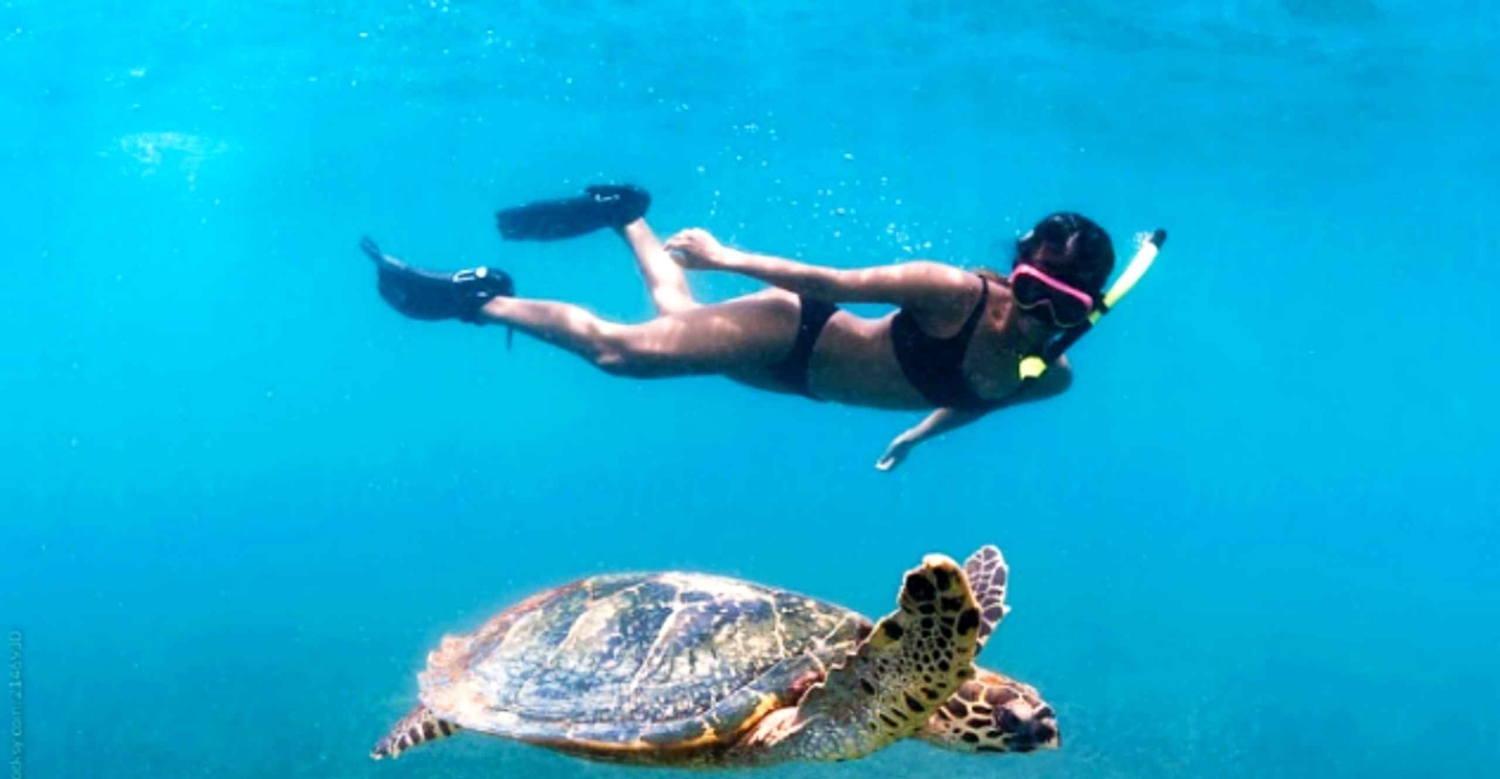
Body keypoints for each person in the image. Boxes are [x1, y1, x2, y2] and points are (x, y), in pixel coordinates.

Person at [361, 185, 1146, 471]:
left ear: (1088, 308)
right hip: (791, 333)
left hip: (795, 385)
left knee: (676, 318)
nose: (1037, 316)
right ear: (1015, 269)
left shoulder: (1049, 371)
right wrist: (724, 255)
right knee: (622, 354)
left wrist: (917, 436)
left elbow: (981, 397)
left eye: (1064, 309)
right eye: (1032, 290)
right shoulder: (950, 292)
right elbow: (830, 282)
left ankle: (627, 216)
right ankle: (478, 298)